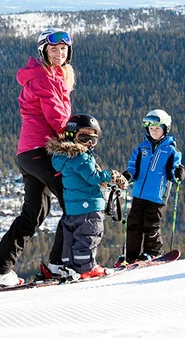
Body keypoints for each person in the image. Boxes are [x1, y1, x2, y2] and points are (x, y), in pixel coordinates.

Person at [0, 28, 76, 287]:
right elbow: (57, 118)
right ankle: (60, 263)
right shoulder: (44, 79)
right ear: (43, 51)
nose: (59, 53)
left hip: (29, 153)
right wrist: (79, 138)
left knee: (34, 212)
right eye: (53, 49)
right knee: (72, 200)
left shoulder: (54, 76)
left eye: (63, 49)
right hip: (41, 150)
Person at [49, 114, 127, 279]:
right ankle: (87, 267)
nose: (90, 143)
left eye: (93, 139)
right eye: (84, 137)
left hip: (72, 209)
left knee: (71, 237)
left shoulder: (63, 157)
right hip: (89, 206)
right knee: (89, 235)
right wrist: (110, 175)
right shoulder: (81, 156)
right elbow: (93, 177)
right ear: (71, 135)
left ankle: (70, 265)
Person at [120, 109, 185, 264]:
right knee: (134, 223)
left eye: (157, 128)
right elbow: (132, 166)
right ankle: (131, 256)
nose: (153, 131)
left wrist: (178, 172)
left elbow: (174, 168)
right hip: (138, 193)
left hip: (156, 195)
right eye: (151, 129)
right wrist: (128, 175)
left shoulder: (170, 151)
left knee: (151, 224)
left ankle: (153, 252)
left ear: (165, 129)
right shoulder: (142, 148)